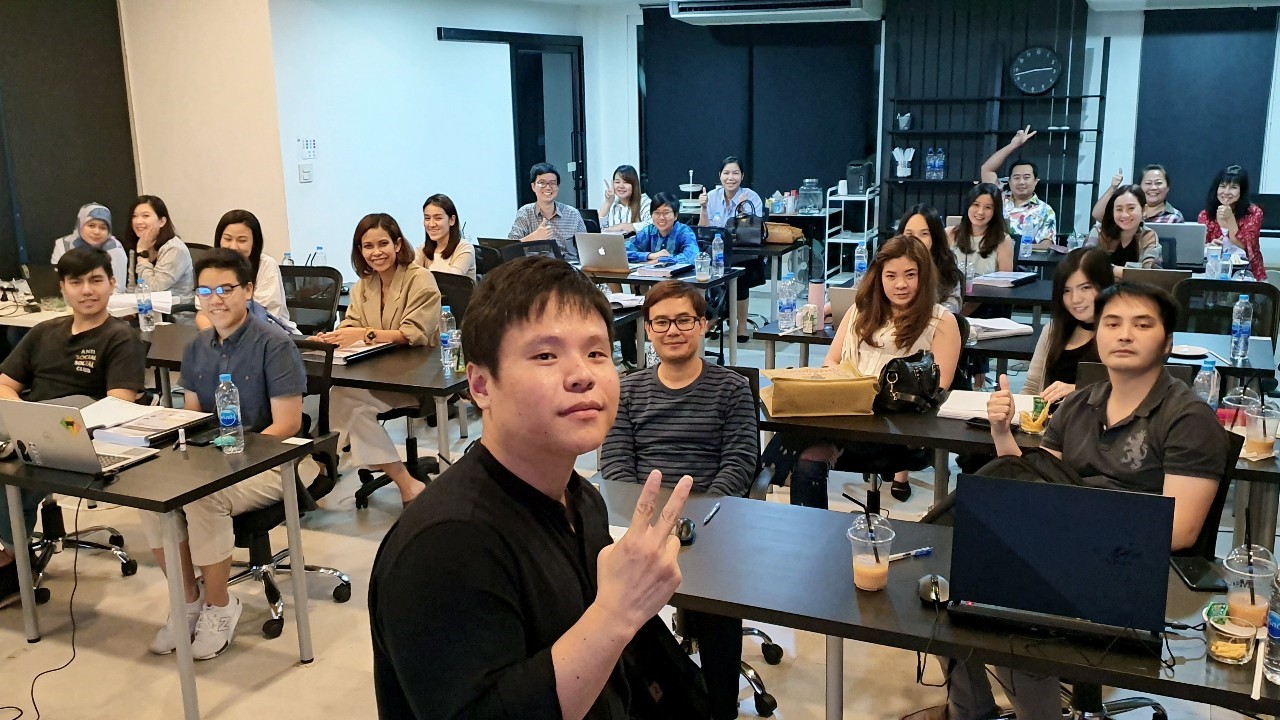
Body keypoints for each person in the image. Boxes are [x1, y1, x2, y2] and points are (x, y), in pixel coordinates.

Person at [369, 255, 696, 719]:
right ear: (481, 385)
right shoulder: (446, 545)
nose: (582, 374)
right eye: (545, 355)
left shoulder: (582, 500)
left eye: (596, 353)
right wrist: (618, 613)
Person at [930, 282, 1227, 720]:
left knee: (1016, 621)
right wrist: (1001, 433)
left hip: (1134, 566)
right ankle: (972, 711)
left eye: (1141, 325)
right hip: (1063, 547)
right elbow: (1036, 478)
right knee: (946, 586)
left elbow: (1180, 530)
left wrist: (1067, 528)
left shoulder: (1188, 418)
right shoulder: (1079, 403)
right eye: (1112, 323)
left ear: (1167, 342)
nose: (1124, 334)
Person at [137, 248, 310, 660]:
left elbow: (287, 424)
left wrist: (229, 463)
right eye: (205, 291)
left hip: (273, 462)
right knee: (151, 496)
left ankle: (220, 606)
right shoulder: (197, 346)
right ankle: (187, 602)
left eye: (225, 289)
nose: (215, 299)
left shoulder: (274, 344)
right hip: (215, 457)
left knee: (203, 498)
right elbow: (193, 417)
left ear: (248, 290)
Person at [600, 280, 756, 720]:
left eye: (684, 320)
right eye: (662, 322)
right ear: (648, 329)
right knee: (608, 594)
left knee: (717, 604)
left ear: (704, 325)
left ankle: (719, 708)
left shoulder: (731, 388)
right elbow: (616, 465)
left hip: (711, 525)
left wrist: (696, 519)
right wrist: (649, 522)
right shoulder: (628, 389)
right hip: (642, 522)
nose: (673, 330)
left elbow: (740, 462)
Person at [0, 247, 144, 602]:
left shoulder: (120, 336)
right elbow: (4, 383)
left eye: (96, 280)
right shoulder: (43, 331)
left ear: (112, 284)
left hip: (81, 436)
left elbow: (118, 405)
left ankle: (12, 557)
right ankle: (12, 551)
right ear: (62, 288)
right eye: (76, 282)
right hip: (29, 431)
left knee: (76, 405)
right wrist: (23, 418)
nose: (87, 290)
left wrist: (33, 424)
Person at [782, 236, 961, 505]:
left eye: (910, 275)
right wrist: (846, 388)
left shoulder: (942, 321)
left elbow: (939, 388)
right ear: (879, 277)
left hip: (903, 428)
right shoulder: (860, 311)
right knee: (804, 453)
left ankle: (770, 469)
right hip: (852, 416)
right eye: (891, 276)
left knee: (796, 439)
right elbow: (831, 362)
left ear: (923, 276)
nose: (900, 284)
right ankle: (812, 531)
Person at [319, 213, 441, 506]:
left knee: (346, 402)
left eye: (383, 244)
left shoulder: (420, 279)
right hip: (376, 375)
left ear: (397, 244)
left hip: (417, 379)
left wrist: (365, 333)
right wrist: (332, 337)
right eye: (368, 246)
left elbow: (412, 333)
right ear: (359, 251)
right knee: (344, 397)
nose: (376, 252)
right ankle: (404, 481)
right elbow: (351, 324)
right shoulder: (364, 285)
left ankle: (327, 463)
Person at [1022, 247, 1115, 401]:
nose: (1075, 299)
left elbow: (1132, 391)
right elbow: (1032, 386)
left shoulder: (1121, 335)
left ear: (1105, 286)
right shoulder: (1053, 330)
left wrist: (1077, 390)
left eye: (1085, 288)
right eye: (1066, 291)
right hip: (1053, 416)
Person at [699, 155, 766, 342]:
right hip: (717, 249)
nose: (731, 178)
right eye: (726, 173)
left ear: (742, 176)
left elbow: (752, 229)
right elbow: (704, 229)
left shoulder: (751, 197)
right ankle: (712, 318)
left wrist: (742, 209)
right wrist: (703, 208)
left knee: (740, 276)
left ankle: (741, 325)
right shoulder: (711, 196)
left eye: (735, 173)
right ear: (720, 175)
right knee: (706, 274)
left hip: (743, 251)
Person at [194, 209, 295, 333]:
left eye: (242, 240)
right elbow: (203, 312)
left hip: (266, 333)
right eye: (227, 239)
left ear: (254, 243)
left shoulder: (266, 265)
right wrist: (212, 337)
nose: (233, 247)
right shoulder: (210, 267)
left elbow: (265, 315)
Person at [980, 126, 1058, 244]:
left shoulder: (1045, 210)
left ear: (1036, 181)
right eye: (1016, 178)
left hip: (1025, 256)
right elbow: (987, 169)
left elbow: (1046, 244)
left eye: (1026, 177)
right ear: (1009, 181)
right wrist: (1013, 145)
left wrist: (1015, 249)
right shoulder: (998, 196)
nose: (1021, 182)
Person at [508, 162, 587, 262]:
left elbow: (586, 248)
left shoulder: (572, 214)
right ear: (533, 186)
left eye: (552, 183)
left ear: (557, 186)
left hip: (567, 267)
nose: (548, 187)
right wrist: (534, 237)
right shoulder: (525, 212)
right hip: (535, 267)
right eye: (542, 183)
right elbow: (509, 248)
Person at [1199, 164, 1266, 281]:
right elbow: (1197, 248)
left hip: (1248, 274)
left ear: (1242, 191)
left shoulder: (1254, 213)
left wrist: (1230, 219)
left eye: (1233, 187)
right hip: (1212, 274)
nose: (1226, 192)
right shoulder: (1205, 214)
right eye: (1222, 186)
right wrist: (1209, 246)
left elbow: (1246, 247)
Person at [898, 205, 964, 312]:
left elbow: (952, 305)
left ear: (934, 237)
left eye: (924, 234)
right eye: (909, 234)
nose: (916, 240)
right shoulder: (888, 264)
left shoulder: (946, 267)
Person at [128, 195, 194, 301]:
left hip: (176, 309)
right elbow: (132, 287)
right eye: (134, 216)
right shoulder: (138, 245)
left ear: (162, 221)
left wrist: (142, 254)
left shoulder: (174, 248)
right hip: (144, 307)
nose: (138, 221)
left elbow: (154, 289)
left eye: (145, 216)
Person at [1085, 184, 1162, 275]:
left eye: (1131, 208)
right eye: (1119, 209)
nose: (1124, 215)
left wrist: (1113, 269)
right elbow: (1086, 262)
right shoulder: (1099, 232)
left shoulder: (1148, 235)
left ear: (1144, 209)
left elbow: (1149, 271)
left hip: (1135, 284)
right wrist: (1130, 271)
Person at [50, 202, 128, 291]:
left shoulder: (114, 248)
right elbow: (60, 282)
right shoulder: (64, 244)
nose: (96, 232)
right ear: (80, 224)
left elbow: (117, 289)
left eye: (103, 228)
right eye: (91, 225)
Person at [947, 183, 1015, 284]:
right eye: (976, 205)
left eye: (988, 207)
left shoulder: (1003, 240)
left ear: (995, 211)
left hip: (987, 293)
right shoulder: (949, 234)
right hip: (952, 292)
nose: (980, 212)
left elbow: (1005, 282)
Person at [1091, 165, 1184, 224]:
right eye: (1148, 183)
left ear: (1167, 187)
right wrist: (1113, 188)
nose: (1153, 187)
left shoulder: (1174, 217)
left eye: (1158, 183)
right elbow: (1098, 216)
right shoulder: (1127, 210)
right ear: (1139, 187)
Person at [625, 192, 700, 265]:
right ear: (651, 215)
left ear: (675, 215)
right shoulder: (648, 231)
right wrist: (650, 255)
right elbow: (623, 252)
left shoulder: (684, 232)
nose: (661, 217)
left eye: (666, 213)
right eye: (657, 213)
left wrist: (660, 260)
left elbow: (692, 257)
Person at [416, 194, 476, 279]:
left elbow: (450, 280)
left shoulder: (465, 248)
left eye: (438, 218)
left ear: (452, 220)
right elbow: (410, 274)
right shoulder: (422, 249)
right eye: (427, 218)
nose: (431, 224)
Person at [599, 164, 652, 234]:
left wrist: (623, 226)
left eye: (626, 182)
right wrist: (608, 202)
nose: (621, 186)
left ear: (634, 185)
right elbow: (598, 229)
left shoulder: (644, 202)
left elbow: (653, 224)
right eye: (617, 182)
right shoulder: (612, 204)